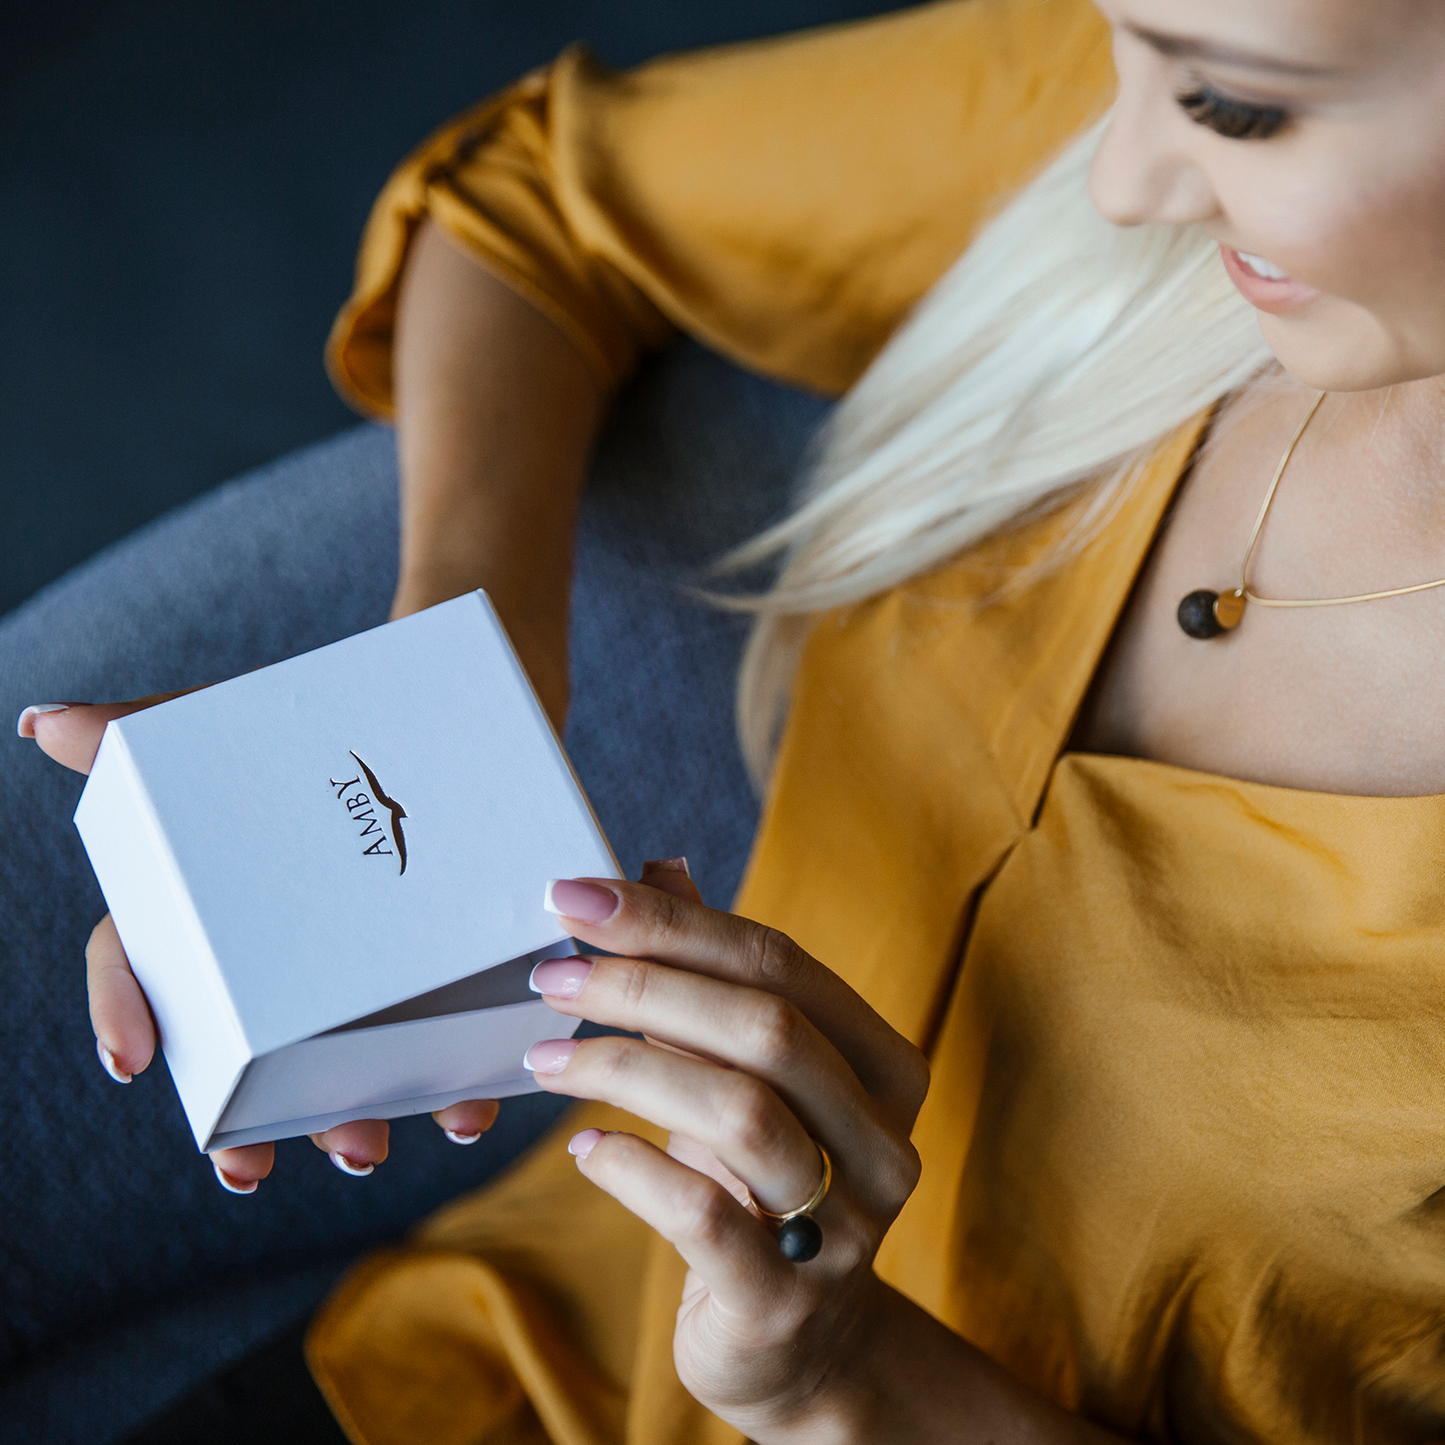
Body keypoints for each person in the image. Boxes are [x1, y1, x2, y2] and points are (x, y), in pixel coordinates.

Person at [22, 0, 1445, 1437]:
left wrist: (834, 1376)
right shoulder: (1148, 72)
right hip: (477, 1370)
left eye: (1240, 109)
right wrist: (454, 681)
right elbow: (538, 198)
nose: (1117, 180)